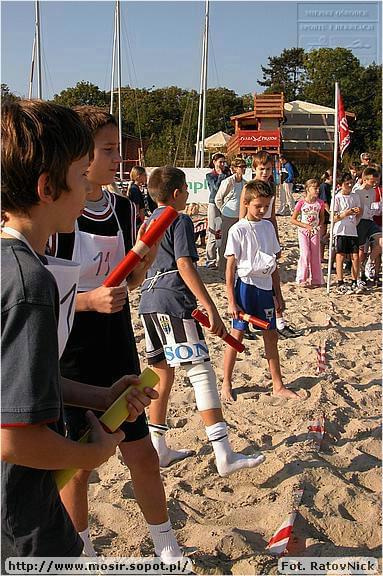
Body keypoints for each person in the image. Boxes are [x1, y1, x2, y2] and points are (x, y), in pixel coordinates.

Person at [1, 100, 155, 561]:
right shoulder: (31, 283)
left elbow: (15, 389)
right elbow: (15, 438)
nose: (87, 184)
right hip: (23, 521)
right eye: (78, 174)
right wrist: (92, 454)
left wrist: (98, 396)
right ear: (49, 187)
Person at [50, 106, 182, 561]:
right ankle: (82, 552)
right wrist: (88, 299)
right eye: (108, 149)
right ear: (80, 156)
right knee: (77, 463)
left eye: (118, 148)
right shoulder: (58, 214)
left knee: (141, 452)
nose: (118, 157)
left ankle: (167, 547)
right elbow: (43, 289)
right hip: (73, 349)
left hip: (117, 345)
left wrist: (139, 271)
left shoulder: (125, 209)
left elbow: (129, 282)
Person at [139, 166, 265, 476]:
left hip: (148, 300)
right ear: (178, 193)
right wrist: (210, 306)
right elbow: (184, 264)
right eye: (186, 189)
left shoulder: (147, 222)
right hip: (173, 300)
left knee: (161, 374)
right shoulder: (177, 219)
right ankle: (223, 454)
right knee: (200, 372)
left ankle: (159, 449)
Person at [222, 180, 303, 403]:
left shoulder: (268, 227)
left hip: (266, 288)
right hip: (246, 288)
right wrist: (231, 301)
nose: (262, 210)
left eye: (266, 206)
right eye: (258, 206)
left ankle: (278, 384)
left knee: (271, 336)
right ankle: (226, 382)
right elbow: (230, 269)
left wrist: (279, 295)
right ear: (246, 203)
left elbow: (274, 265)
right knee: (235, 337)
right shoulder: (237, 230)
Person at [238, 152, 303, 340]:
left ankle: (280, 322)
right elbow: (241, 217)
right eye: (261, 169)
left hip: (266, 233)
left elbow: (272, 216)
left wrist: (277, 241)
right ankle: (244, 323)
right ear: (254, 169)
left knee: (272, 280)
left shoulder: (271, 187)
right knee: (247, 280)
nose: (265, 172)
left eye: (268, 169)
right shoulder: (248, 188)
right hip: (251, 234)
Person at [332, 172, 364, 294]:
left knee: (355, 256)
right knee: (340, 255)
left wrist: (357, 214)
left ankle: (355, 280)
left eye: (351, 182)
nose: (350, 185)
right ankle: (340, 281)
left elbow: (359, 212)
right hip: (340, 230)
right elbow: (333, 218)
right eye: (347, 183)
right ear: (340, 185)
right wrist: (345, 213)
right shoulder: (337, 197)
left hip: (352, 229)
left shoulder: (355, 196)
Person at [215, 157, 248, 276]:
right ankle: (223, 268)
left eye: (245, 167)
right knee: (225, 242)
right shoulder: (228, 182)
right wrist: (223, 211)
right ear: (234, 168)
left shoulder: (245, 183)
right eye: (241, 167)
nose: (243, 169)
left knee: (238, 242)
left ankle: (236, 267)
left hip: (240, 217)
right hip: (228, 215)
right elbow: (218, 198)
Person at [291, 179, 325, 287]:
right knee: (305, 254)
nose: (317, 190)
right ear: (308, 189)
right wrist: (306, 226)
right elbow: (293, 219)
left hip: (315, 231)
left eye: (318, 188)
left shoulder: (320, 203)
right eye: (314, 188)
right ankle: (302, 278)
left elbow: (322, 217)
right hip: (303, 230)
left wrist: (318, 226)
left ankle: (316, 279)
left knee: (315, 255)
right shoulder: (301, 203)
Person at [352, 167, 382, 284]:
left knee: (380, 242)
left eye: (376, 181)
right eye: (372, 181)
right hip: (360, 222)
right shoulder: (357, 192)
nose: (375, 184)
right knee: (360, 250)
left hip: (370, 220)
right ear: (365, 180)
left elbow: (371, 205)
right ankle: (358, 274)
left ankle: (369, 263)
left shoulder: (372, 191)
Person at [205, 153, 229, 269]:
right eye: (220, 162)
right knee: (213, 232)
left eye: (224, 162)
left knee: (222, 232)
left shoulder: (227, 174)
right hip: (214, 204)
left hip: (225, 204)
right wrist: (220, 175)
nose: (222, 164)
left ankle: (221, 259)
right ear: (214, 162)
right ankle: (210, 260)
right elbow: (215, 188)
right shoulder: (210, 175)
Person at [128, 166, 157, 230]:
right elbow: (137, 207)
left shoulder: (135, 188)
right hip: (138, 221)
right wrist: (140, 222)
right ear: (138, 176)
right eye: (144, 175)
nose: (146, 177)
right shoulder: (134, 189)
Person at [318, 170, 332, 262]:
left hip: (326, 212)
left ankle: (321, 256)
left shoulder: (329, 186)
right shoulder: (324, 186)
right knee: (322, 235)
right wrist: (331, 213)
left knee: (324, 234)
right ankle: (320, 256)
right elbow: (325, 201)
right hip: (323, 212)